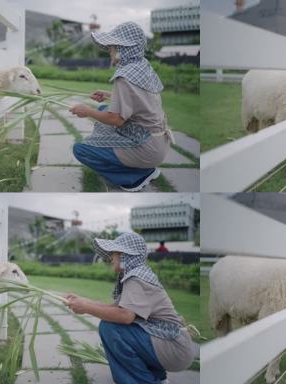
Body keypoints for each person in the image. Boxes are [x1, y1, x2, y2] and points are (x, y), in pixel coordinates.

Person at [64, 232, 194, 383]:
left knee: (110, 328)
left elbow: (125, 316)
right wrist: (83, 301)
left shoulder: (135, 279)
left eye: (114, 254)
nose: (111, 258)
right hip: (172, 345)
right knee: (114, 325)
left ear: (125, 257)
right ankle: (156, 378)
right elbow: (114, 308)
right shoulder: (139, 275)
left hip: (173, 347)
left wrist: (86, 308)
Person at [70, 22, 174, 192]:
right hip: (159, 143)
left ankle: (134, 177)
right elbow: (141, 99)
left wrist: (86, 111)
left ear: (123, 49)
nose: (109, 51)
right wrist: (109, 94)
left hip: (146, 148)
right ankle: (144, 167)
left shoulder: (124, 77)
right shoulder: (142, 67)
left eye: (111, 47)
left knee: (80, 150)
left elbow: (116, 119)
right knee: (104, 109)